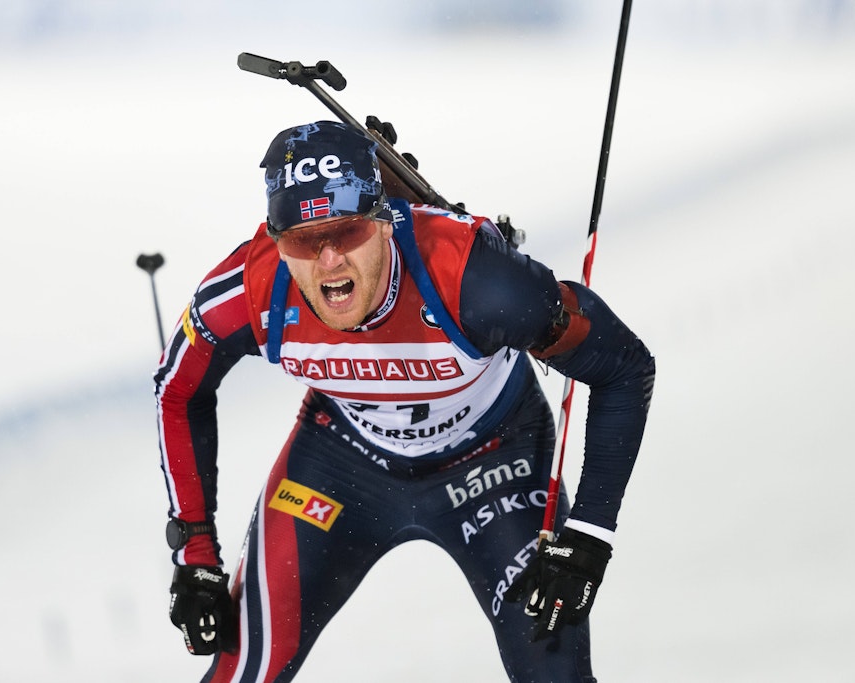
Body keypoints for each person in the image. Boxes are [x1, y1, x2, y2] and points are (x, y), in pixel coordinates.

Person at [153, 120, 654, 683]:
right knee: (238, 672)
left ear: (387, 220)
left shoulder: (477, 280)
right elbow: (177, 392)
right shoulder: (250, 289)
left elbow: (623, 368)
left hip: (494, 462)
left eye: (347, 233)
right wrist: (194, 558)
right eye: (301, 240)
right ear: (275, 240)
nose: (329, 262)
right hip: (343, 465)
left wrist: (588, 537)